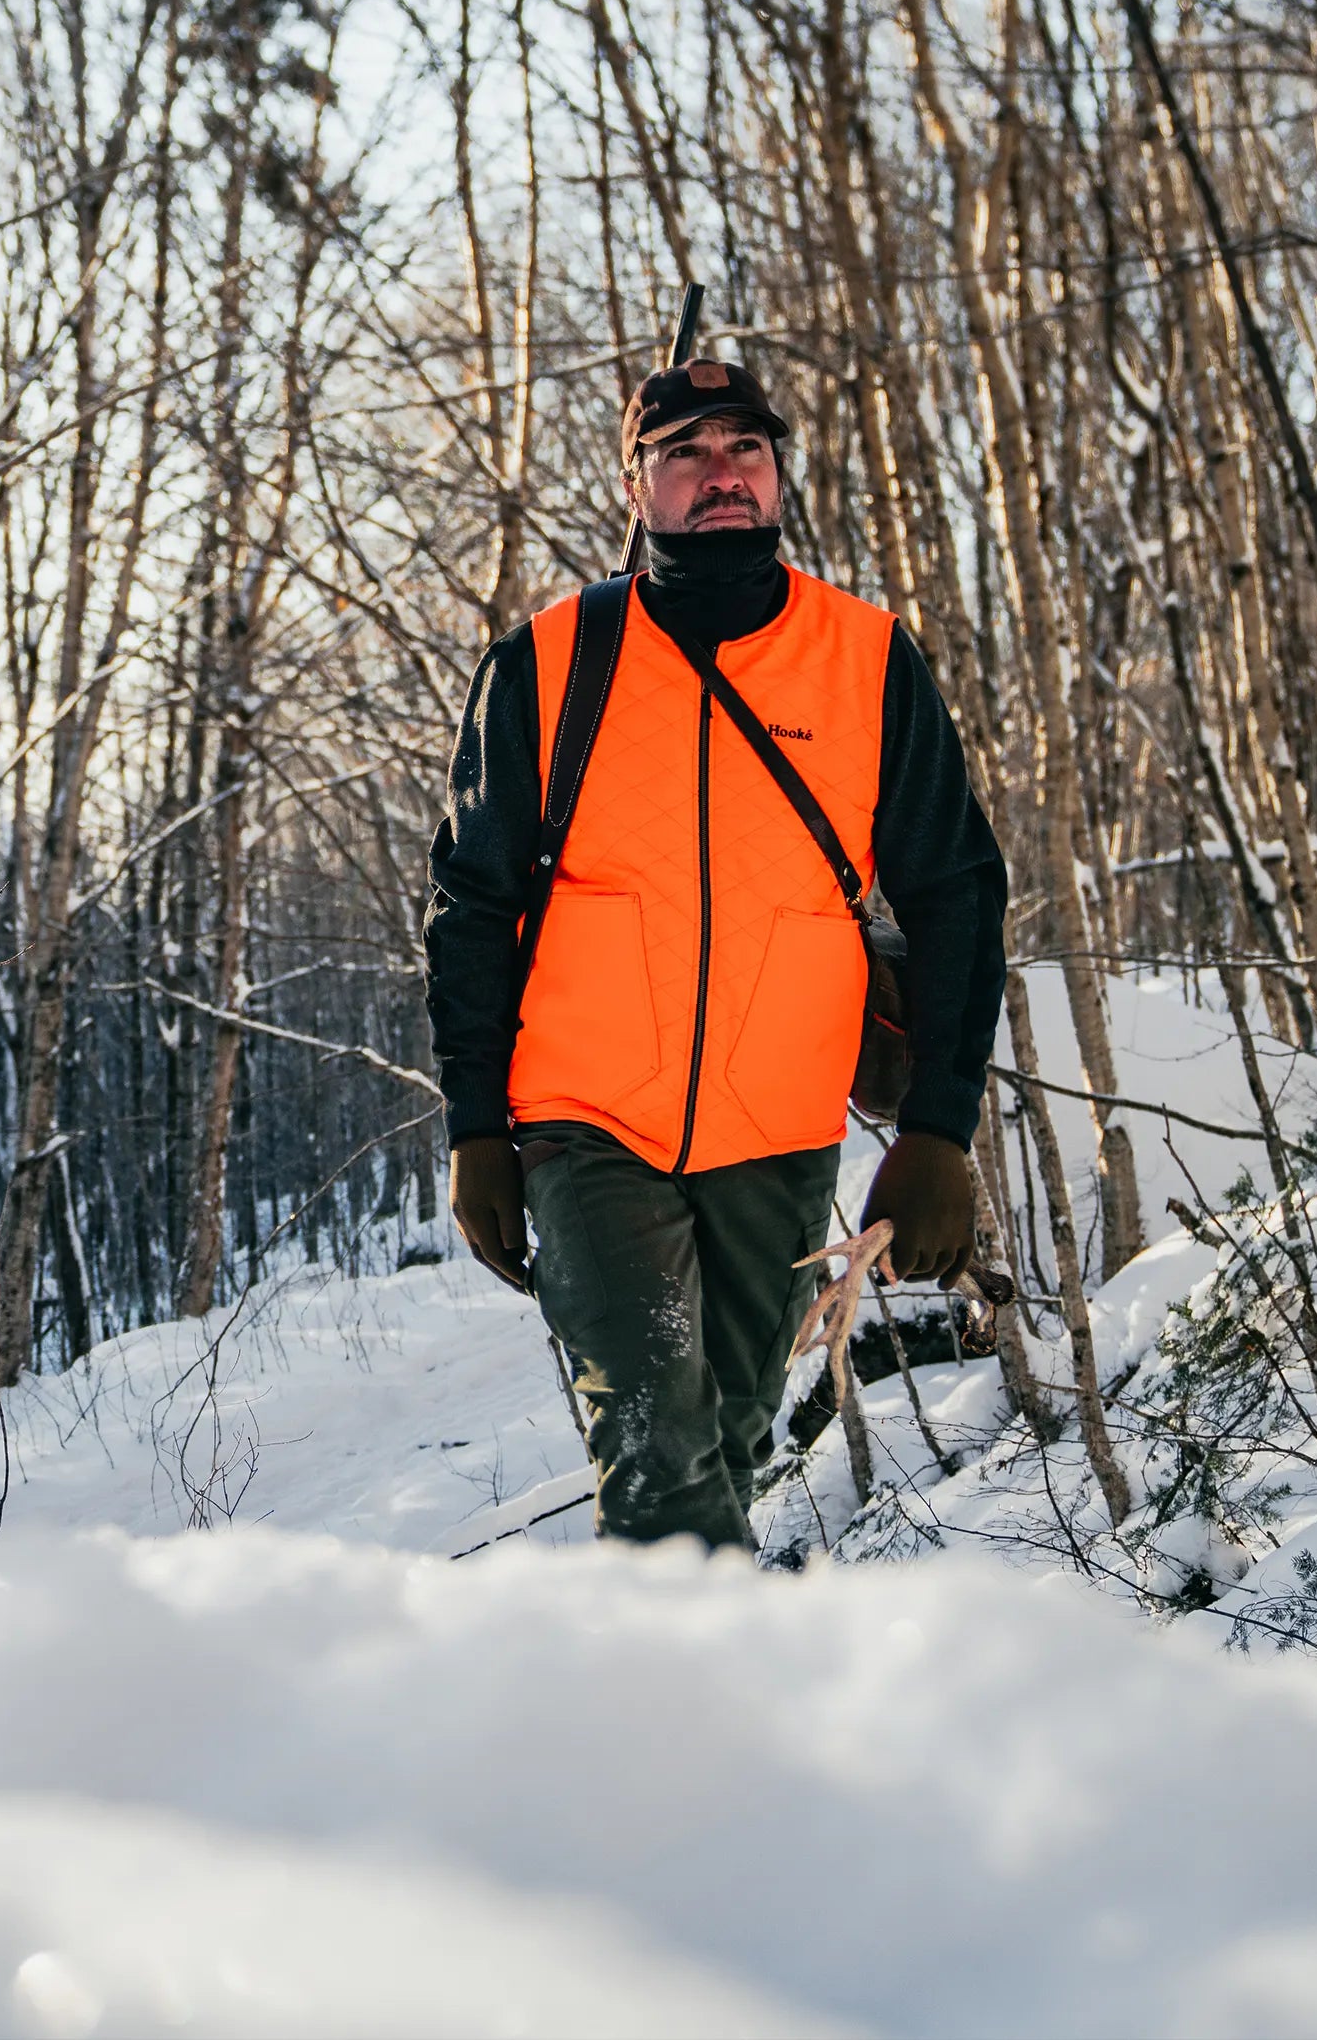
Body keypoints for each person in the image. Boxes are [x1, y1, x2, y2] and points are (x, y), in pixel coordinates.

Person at [422, 349, 1007, 1550]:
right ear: (637, 486)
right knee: (658, 1470)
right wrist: (479, 1125)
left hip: (781, 1137)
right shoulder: (545, 662)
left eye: (743, 447)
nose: (720, 473)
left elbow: (956, 894)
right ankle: (720, 1731)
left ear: (778, 471)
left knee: (727, 1452)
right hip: (584, 1127)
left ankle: (672, 1710)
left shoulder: (866, 657)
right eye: (683, 452)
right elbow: (470, 907)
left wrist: (940, 1127)